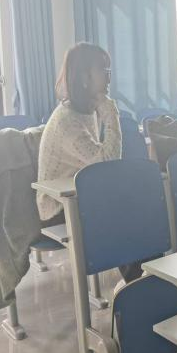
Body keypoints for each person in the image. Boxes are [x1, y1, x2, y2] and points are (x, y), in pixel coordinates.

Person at [37, 42, 121, 223]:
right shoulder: (66, 120)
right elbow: (109, 163)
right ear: (84, 77)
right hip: (59, 207)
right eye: (103, 70)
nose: (108, 79)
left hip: (81, 193)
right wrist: (111, 115)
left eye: (109, 71)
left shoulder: (88, 110)